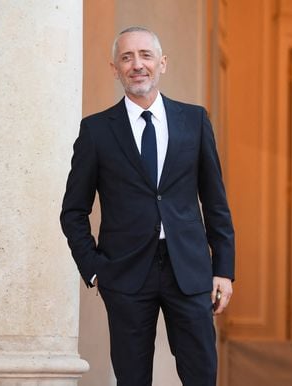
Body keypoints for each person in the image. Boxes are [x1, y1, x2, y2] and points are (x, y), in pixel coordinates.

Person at [60, 26, 235, 386]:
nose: (137, 65)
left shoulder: (194, 120)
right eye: (127, 57)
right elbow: (73, 211)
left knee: (202, 374)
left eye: (145, 56)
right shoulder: (96, 131)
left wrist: (224, 269)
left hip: (188, 270)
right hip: (124, 274)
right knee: (132, 378)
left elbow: (215, 200)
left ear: (162, 64)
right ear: (115, 69)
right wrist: (94, 268)